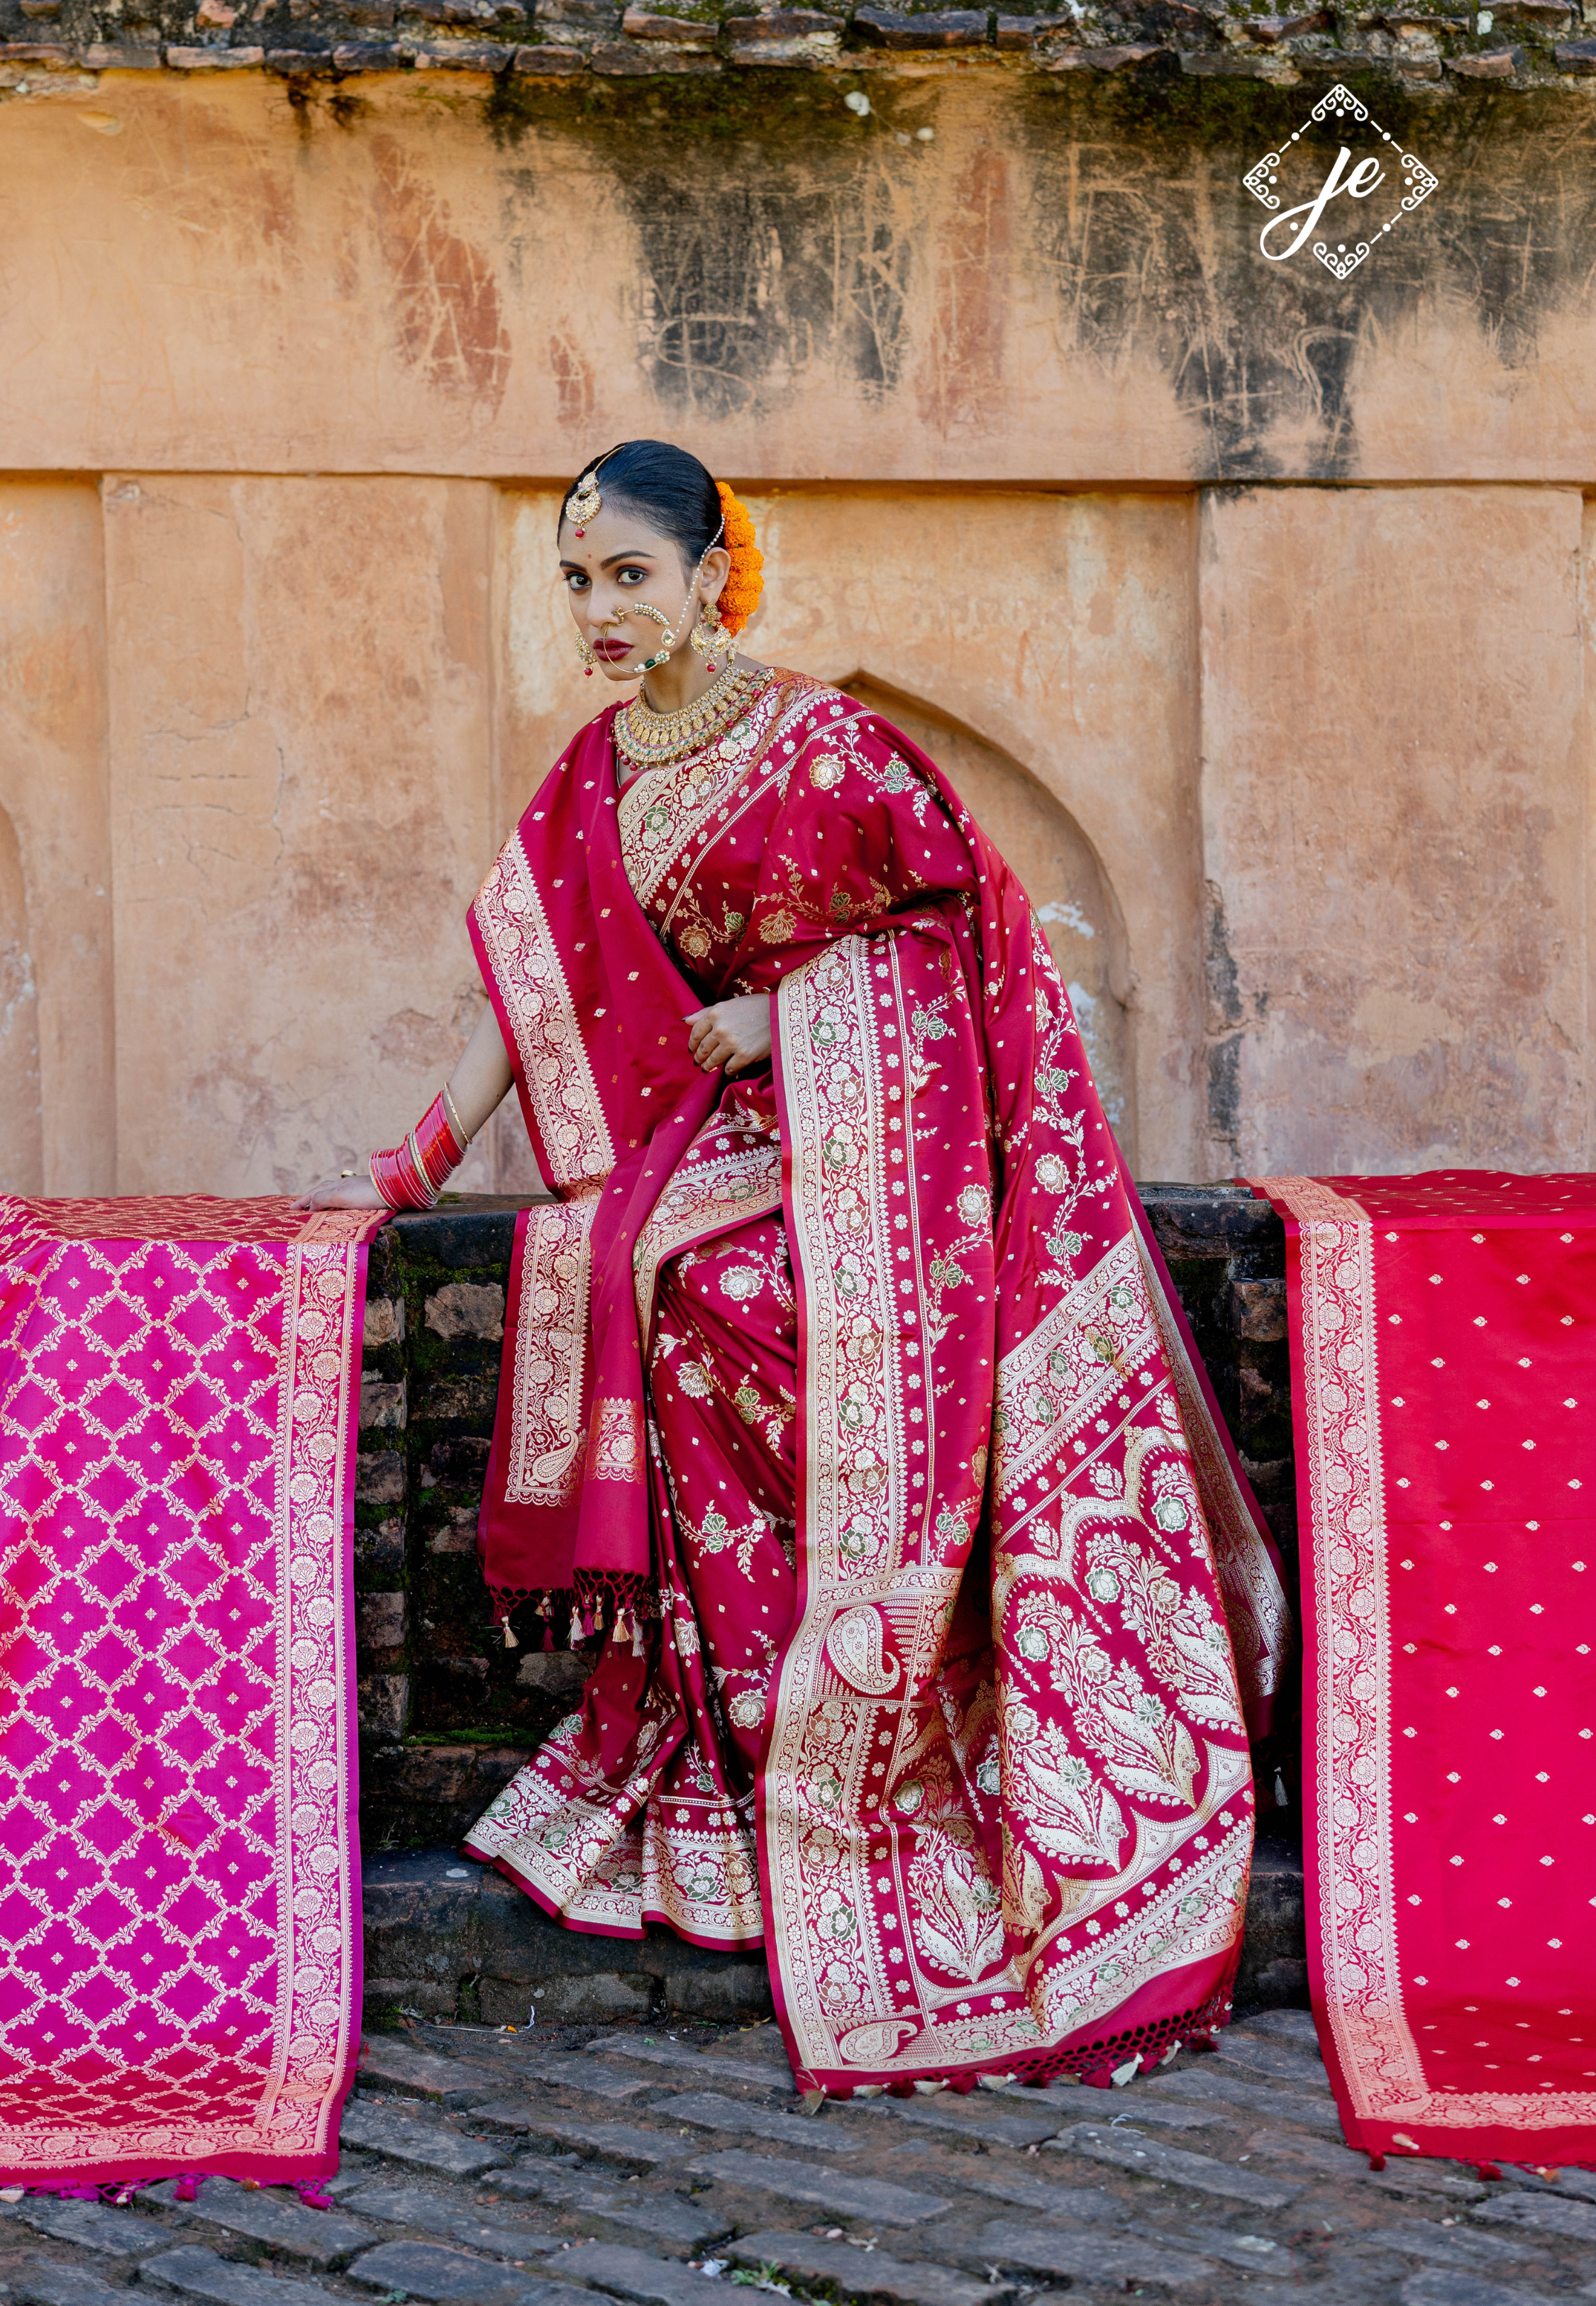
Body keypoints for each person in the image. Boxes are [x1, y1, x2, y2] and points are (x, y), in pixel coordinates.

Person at [299, 440, 1287, 2097]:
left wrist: (790, 1018)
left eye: (628, 575)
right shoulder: (593, 777)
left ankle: (891, 1735)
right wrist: (404, 1171)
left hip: (884, 1163)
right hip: (722, 1157)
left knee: (742, 1299)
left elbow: (966, 941)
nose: (601, 612)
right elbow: (523, 1000)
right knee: (662, 1286)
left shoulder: (821, 740)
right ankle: (745, 1761)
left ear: (708, 571)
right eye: (576, 580)